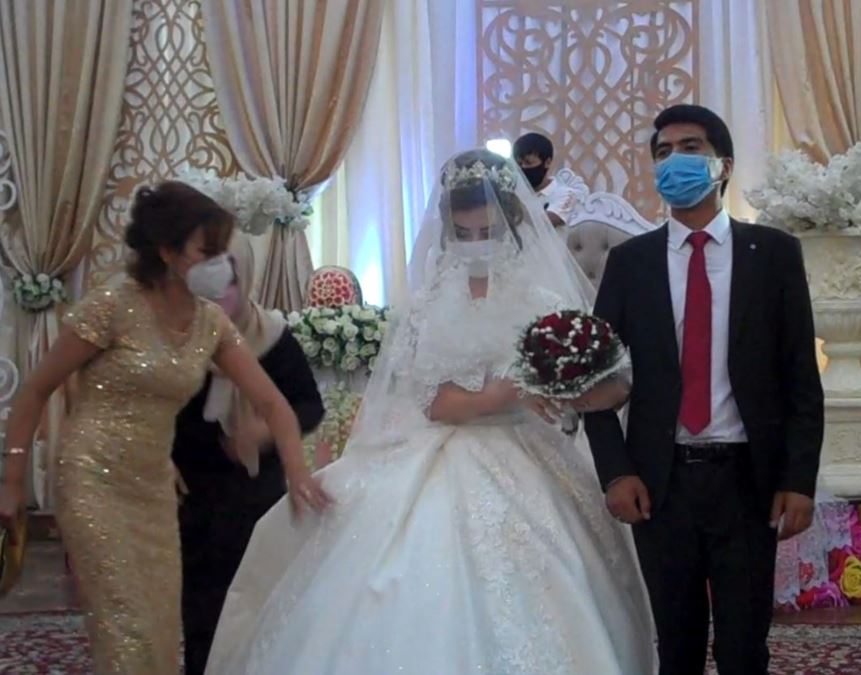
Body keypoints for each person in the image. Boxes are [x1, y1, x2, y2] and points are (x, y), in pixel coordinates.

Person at [204, 150, 655, 674]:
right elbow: (435, 402)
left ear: (511, 223)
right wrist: (505, 393)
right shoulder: (430, 304)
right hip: (443, 450)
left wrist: (567, 389)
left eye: (485, 231)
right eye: (463, 234)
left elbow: (604, 383)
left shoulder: (543, 299)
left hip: (530, 451)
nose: (475, 243)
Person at [0, 181, 330, 675]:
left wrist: (298, 472)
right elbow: (34, 390)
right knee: (126, 629)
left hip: (154, 491)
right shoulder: (113, 306)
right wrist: (11, 481)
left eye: (222, 252)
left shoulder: (210, 323)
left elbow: (273, 403)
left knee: (158, 633)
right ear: (167, 252)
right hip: (94, 481)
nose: (220, 265)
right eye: (206, 252)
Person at [584, 104, 825, 675]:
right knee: (677, 645)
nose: (674, 161)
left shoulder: (774, 254)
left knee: (745, 648)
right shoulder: (630, 263)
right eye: (663, 152)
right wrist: (615, 472)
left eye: (690, 148)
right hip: (658, 483)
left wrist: (798, 480)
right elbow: (593, 380)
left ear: (724, 166)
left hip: (747, 480)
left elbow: (799, 376)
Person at [173, 232, 325, 675]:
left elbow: (308, 405)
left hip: (254, 493)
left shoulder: (271, 337)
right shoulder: (179, 338)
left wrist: (264, 431)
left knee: (253, 602)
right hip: (190, 493)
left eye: (230, 282)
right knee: (201, 608)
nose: (220, 295)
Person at [514, 132, 580, 227]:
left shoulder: (566, 194)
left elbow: (546, 223)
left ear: (547, 162)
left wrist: (513, 206)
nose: (523, 168)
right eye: (519, 164)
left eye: (528, 163)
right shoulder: (514, 190)